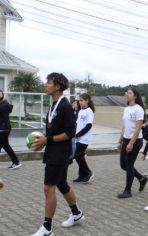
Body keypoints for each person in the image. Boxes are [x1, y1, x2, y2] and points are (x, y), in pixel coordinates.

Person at [31, 73, 84, 236]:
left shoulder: (65, 106)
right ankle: (76, 214)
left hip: (60, 153)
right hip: (53, 150)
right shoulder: (54, 104)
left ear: (57, 86)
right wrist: (43, 141)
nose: (45, 85)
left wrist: (48, 140)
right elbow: (52, 130)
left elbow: (71, 132)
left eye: (48, 82)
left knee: (48, 188)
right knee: (62, 184)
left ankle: (47, 228)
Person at [117, 88, 148, 199]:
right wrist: (119, 141)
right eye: (127, 93)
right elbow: (124, 126)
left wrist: (131, 143)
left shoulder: (138, 109)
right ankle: (141, 178)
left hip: (135, 141)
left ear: (135, 96)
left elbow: (138, 128)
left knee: (129, 165)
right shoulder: (126, 109)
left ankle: (128, 190)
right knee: (123, 165)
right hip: (126, 139)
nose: (127, 94)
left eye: (129, 93)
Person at [72, 93, 95, 183]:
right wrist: (75, 133)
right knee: (80, 156)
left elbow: (88, 126)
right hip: (78, 137)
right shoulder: (81, 111)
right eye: (79, 100)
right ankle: (81, 176)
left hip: (84, 138)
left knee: (77, 156)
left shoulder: (89, 111)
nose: (80, 102)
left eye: (81, 100)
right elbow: (78, 124)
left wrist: (78, 135)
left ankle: (88, 173)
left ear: (87, 101)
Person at [0, 90, 21, 170]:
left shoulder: (4, 105)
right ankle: (16, 162)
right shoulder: (3, 104)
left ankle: (16, 162)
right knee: (6, 146)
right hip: (3, 129)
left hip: (3, 129)